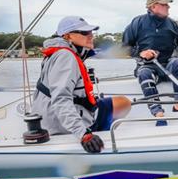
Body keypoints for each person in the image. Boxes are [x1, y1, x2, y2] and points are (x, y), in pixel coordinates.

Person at [32, 16, 131, 153]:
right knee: (124, 103)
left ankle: (101, 130)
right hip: (60, 124)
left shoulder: (62, 52)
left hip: (51, 116)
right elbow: (61, 98)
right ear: (68, 36)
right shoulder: (66, 57)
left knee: (123, 102)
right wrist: (84, 134)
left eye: (91, 32)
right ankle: (100, 138)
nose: (90, 36)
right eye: (84, 33)